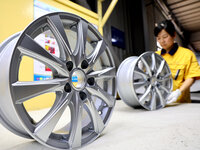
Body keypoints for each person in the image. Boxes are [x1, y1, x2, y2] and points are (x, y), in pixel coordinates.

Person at [154, 20, 200, 104]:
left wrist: (179, 92)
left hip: (180, 103)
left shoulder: (187, 54)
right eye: (158, 38)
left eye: (165, 37)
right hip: (159, 103)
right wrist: (142, 66)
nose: (162, 41)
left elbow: (191, 77)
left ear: (173, 35)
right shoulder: (154, 56)